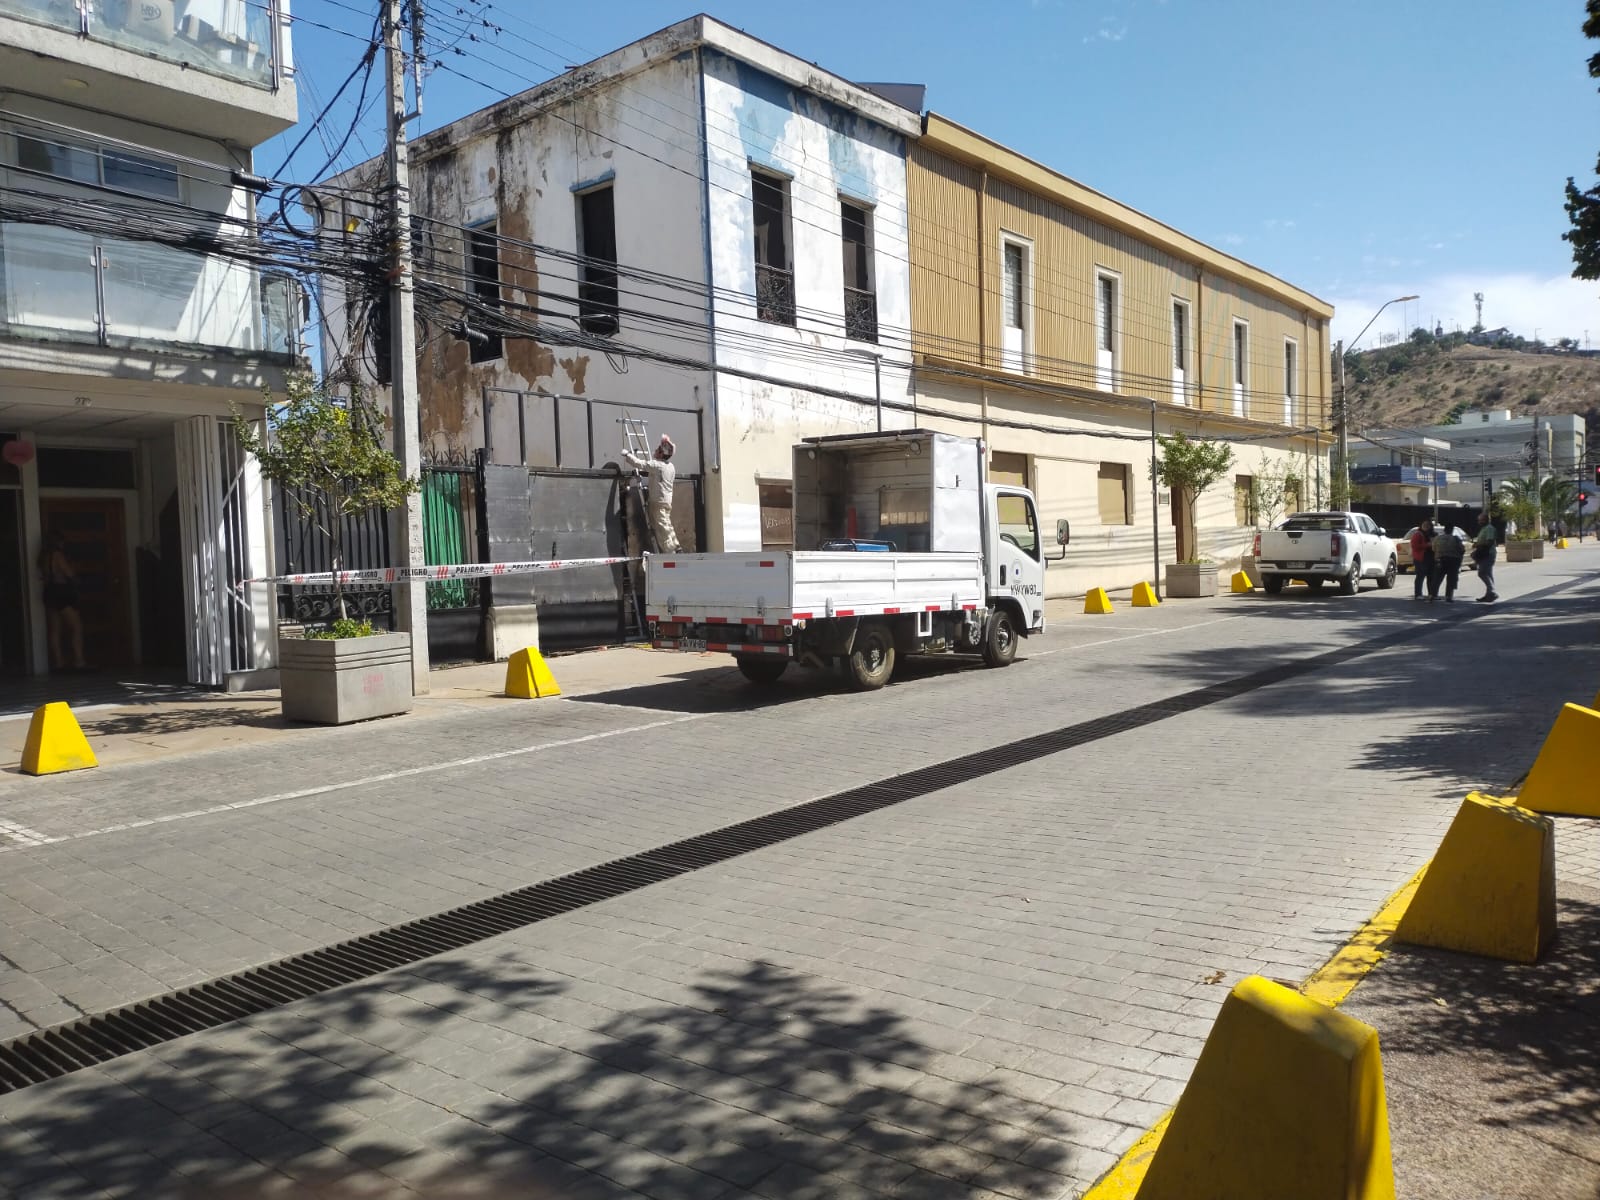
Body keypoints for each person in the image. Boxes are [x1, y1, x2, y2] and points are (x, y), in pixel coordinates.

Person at [623, 433, 680, 553]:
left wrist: (628, 455)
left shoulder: (657, 465)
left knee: (662, 527)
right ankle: (673, 547)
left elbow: (641, 464)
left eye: (657, 449)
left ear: (661, 453)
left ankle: (672, 550)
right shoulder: (671, 466)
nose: (655, 451)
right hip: (665, 501)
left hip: (657, 502)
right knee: (665, 524)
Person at [39, 533, 87, 670]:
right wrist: (78, 579)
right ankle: (79, 661)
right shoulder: (57, 555)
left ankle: (59, 662)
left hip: (49, 592)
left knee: (55, 628)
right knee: (76, 626)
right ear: (59, 542)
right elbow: (69, 573)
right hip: (61, 592)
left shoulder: (44, 556)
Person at [1430, 523, 1464, 603]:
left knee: (1437, 578)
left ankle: (1433, 595)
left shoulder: (1437, 538)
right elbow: (1462, 549)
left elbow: (1433, 548)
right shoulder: (1456, 539)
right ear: (1452, 530)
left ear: (1444, 530)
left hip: (1440, 560)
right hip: (1453, 561)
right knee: (1451, 579)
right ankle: (1449, 596)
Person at [1471, 511, 1499, 603]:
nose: (1479, 522)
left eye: (1481, 520)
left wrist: (1478, 544)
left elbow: (1489, 541)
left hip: (1488, 554)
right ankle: (1489, 595)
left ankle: (1492, 591)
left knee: (1482, 573)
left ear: (1486, 520)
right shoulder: (1484, 529)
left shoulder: (1489, 529)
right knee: (1488, 574)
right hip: (1484, 553)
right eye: (1479, 520)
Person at [1410, 520, 1434, 600]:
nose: (1426, 527)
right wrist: (1427, 545)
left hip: (1429, 558)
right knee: (1420, 576)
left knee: (1430, 577)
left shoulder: (1429, 534)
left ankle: (1431, 594)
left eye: (1428, 525)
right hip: (1420, 558)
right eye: (1425, 525)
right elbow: (1415, 546)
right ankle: (1418, 594)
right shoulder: (1418, 534)